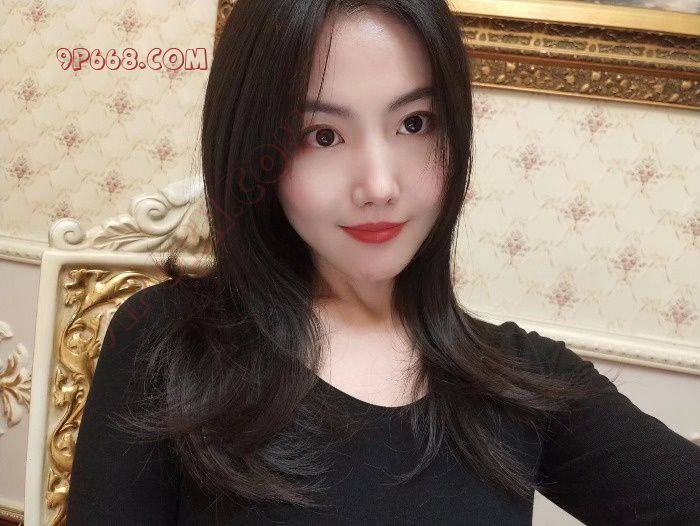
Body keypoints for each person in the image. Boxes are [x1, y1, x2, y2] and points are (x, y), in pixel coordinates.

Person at [66, 0, 700, 524]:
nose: (379, 185)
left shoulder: (521, 380)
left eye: (415, 123)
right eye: (323, 136)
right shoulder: (166, 342)